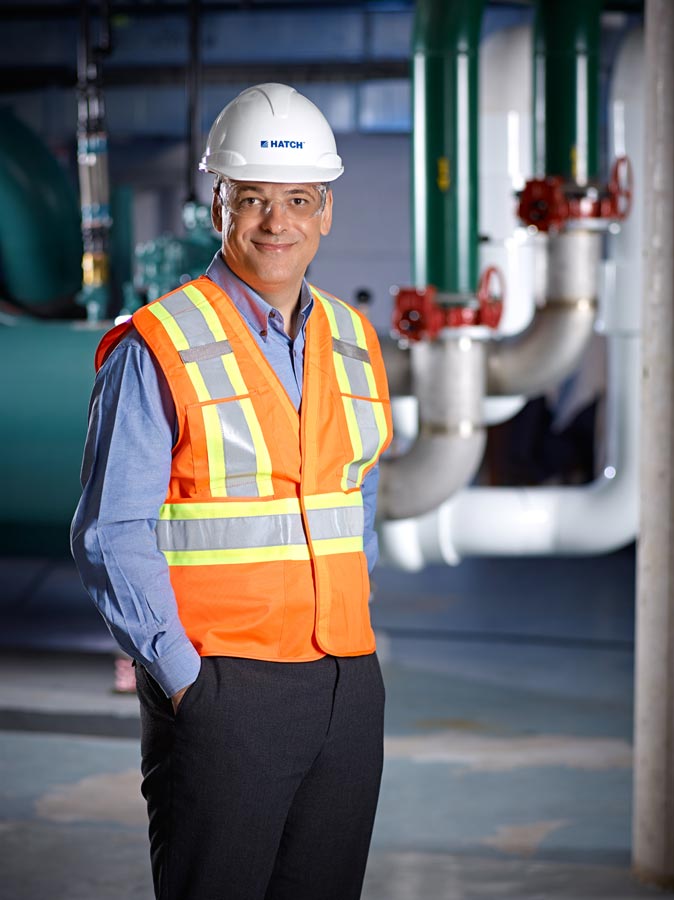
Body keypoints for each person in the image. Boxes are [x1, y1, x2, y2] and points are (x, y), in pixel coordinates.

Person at [71, 82, 392, 900]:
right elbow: (111, 533)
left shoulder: (355, 340)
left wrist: (356, 636)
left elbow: (355, 493)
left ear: (326, 211)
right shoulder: (159, 345)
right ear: (218, 205)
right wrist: (185, 681)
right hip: (223, 688)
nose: (275, 222)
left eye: (297, 200)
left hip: (346, 684)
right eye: (251, 199)